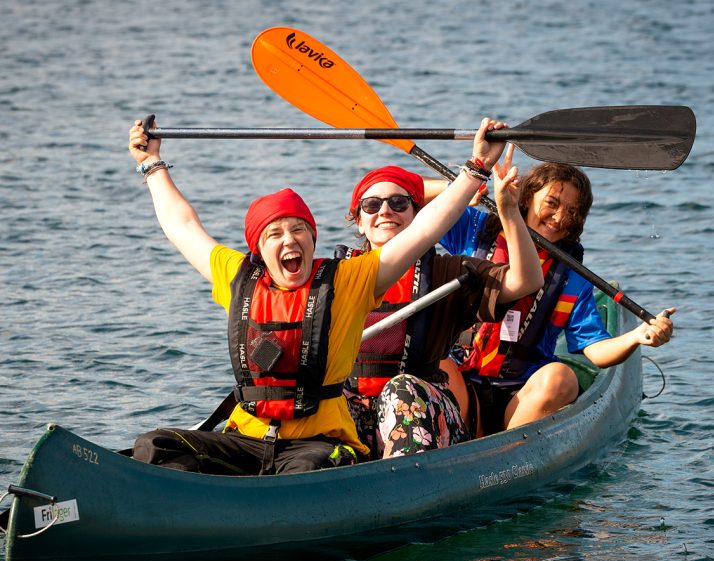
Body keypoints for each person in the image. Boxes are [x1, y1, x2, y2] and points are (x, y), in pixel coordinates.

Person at [126, 116, 509, 475]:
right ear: (258, 250)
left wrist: (475, 169)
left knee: (305, 471)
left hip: (318, 445)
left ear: (313, 238)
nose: (289, 240)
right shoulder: (237, 276)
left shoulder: (348, 279)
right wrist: (152, 164)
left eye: (298, 230)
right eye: (275, 234)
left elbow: (423, 230)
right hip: (248, 438)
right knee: (154, 446)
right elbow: (182, 226)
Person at [438, 147, 675, 436]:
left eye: (572, 212)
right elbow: (413, 203)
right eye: (551, 202)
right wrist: (469, 183)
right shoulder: (476, 230)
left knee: (562, 377)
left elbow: (595, 350)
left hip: (522, 395)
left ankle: (505, 456)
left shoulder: (572, 276)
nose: (560, 217)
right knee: (432, 358)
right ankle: (456, 441)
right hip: (460, 381)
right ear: (525, 198)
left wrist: (637, 337)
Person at [337, 162, 543, 458]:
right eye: (371, 205)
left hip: (424, 414)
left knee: (402, 390)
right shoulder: (339, 275)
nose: (385, 211)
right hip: (356, 409)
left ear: (417, 213)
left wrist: (509, 212)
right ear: (359, 221)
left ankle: (402, 486)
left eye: (399, 202)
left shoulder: (447, 272)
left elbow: (526, 281)